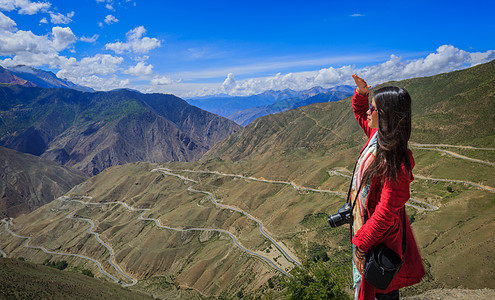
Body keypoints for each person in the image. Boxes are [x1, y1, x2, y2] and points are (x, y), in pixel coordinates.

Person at [349, 74, 425, 300]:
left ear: (386, 116)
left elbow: (386, 213)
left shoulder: (397, 162)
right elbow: (360, 114)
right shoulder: (378, 138)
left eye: (373, 109)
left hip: (380, 242)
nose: (368, 113)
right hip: (368, 233)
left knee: (382, 289)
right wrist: (362, 94)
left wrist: (362, 246)